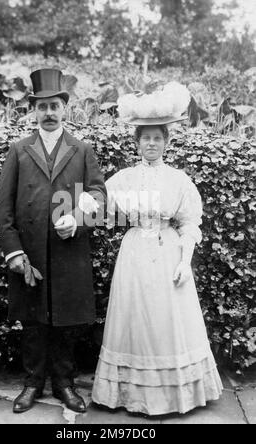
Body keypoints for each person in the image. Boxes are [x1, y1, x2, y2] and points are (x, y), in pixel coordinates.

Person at [92, 82, 223, 416]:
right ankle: (130, 396)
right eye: (145, 138)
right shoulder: (123, 178)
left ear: (166, 142)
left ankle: (174, 396)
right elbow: (97, 202)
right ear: (136, 143)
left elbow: (190, 223)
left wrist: (185, 262)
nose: (151, 144)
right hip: (135, 252)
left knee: (167, 323)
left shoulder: (179, 180)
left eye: (157, 138)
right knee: (135, 322)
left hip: (168, 253)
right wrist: (74, 209)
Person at [0, 68, 106, 414]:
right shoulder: (19, 150)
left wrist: (76, 219)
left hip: (69, 250)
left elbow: (99, 195)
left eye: (54, 106)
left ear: (64, 108)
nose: (48, 113)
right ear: (34, 110)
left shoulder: (81, 150)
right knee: (33, 321)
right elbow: (4, 205)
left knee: (66, 321)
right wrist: (13, 250)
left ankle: (64, 383)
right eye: (41, 107)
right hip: (31, 252)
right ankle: (32, 384)